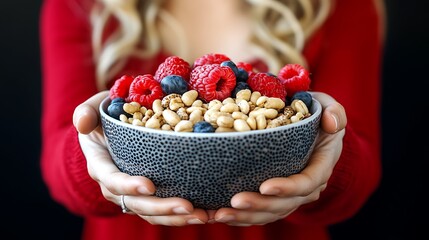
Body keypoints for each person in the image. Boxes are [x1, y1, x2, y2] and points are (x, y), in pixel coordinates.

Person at [39, 0, 384, 239]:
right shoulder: (81, 7)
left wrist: (326, 148)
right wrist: (93, 156)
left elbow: (362, 172)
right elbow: (57, 162)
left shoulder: (341, 6)